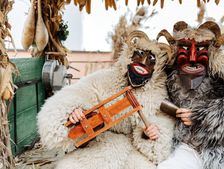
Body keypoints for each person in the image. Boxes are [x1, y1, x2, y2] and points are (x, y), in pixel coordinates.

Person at [37, 30, 175, 169]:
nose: (143, 62)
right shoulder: (105, 79)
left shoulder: (158, 93)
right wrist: (73, 110)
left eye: (151, 60)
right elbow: (77, 93)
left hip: (135, 151)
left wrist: (152, 132)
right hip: (101, 144)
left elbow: (163, 121)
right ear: (128, 57)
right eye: (139, 55)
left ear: (157, 68)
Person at [157, 21, 224, 169]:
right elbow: (150, 103)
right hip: (185, 147)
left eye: (201, 48)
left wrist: (200, 117)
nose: (193, 58)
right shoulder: (166, 77)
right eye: (185, 48)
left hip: (222, 149)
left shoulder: (223, 78)